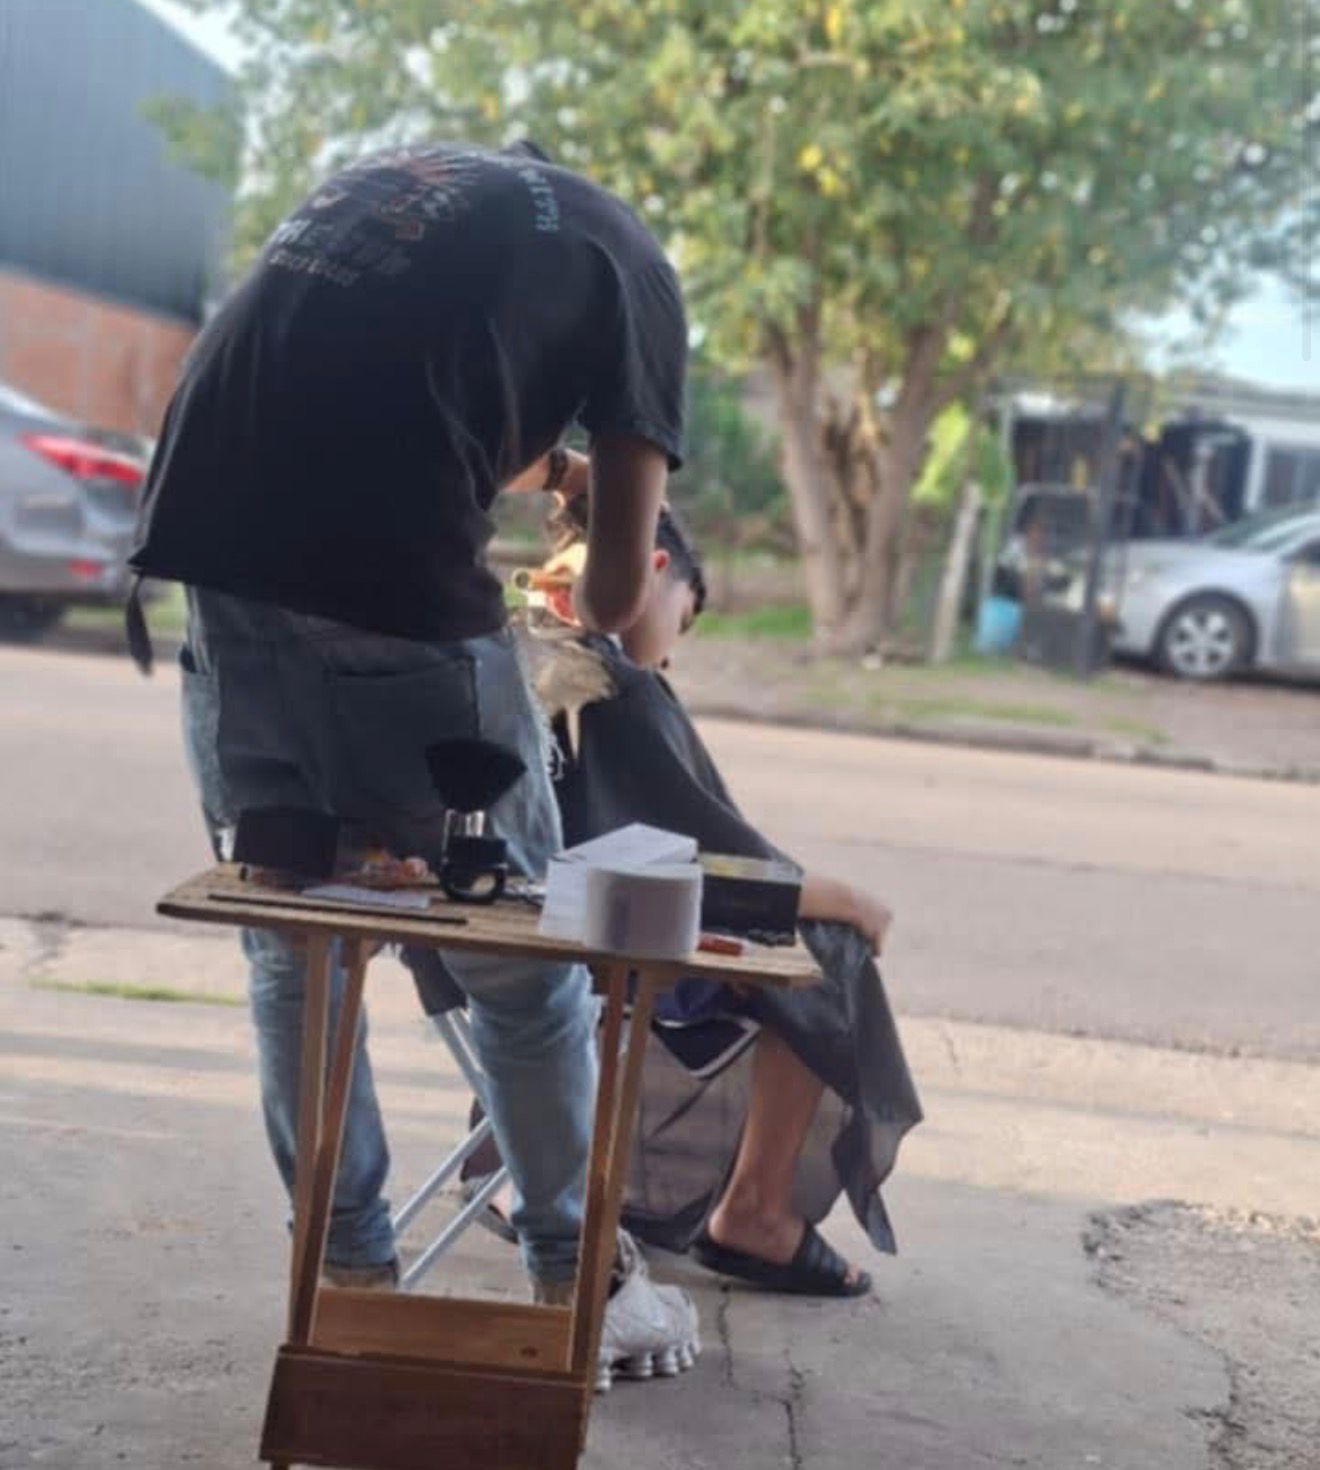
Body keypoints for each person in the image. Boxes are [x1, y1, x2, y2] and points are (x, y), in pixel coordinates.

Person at [128, 141, 697, 1355]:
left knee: (300, 942)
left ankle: (344, 1281)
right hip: (389, 599)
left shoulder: (407, 191)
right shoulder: (634, 270)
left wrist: (541, 457)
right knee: (525, 968)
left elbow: (400, 400)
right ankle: (579, 1283)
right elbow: (605, 609)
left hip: (210, 547)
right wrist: (604, 505)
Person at [413, 496, 922, 1297]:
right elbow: (717, 865)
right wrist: (851, 901)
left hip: (461, 948)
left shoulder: (511, 647)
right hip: (577, 953)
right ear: (653, 572)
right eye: (683, 621)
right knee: (830, 952)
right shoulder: (612, 680)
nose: (672, 655)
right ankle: (755, 1214)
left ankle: (523, 1176)